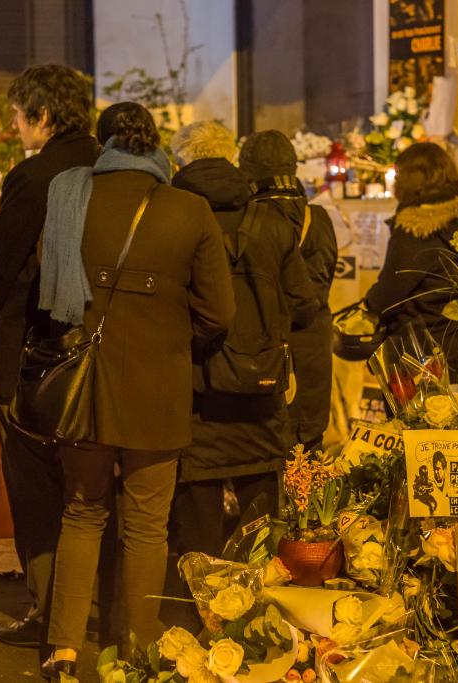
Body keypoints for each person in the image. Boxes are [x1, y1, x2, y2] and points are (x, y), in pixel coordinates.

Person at [39, 103, 234, 679]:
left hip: (87, 388)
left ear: (103, 146)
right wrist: (173, 336)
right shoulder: (189, 209)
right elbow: (219, 313)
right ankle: (136, 651)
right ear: (155, 148)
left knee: (81, 513)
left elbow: (44, 295)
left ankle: (64, 647)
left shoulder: (71, 197)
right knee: (147, 525)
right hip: (158, 385)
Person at [0, 65, 100, 650]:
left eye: (18, 116)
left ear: (43, 116)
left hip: (37, 357)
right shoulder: (112, 165)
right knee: (92, 493)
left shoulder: (33, 177)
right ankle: (88, 606)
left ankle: (49, 610)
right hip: (103, 355)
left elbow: (2, 271)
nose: (15, 126)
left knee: (36, 493)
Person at [170, 121, 317, 559]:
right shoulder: (270, 220)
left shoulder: (172, 217)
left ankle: (200, 612)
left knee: (199, 525)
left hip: (195, 390)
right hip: (260, 390)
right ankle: (253, 616)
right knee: (259, 524)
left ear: (183, 161)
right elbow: (303, 304)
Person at [240, 130, 338, 451]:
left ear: (247, 171)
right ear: (293, 167)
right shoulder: (320, 219)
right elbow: (319, 289)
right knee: (308, 458)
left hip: (262, 359)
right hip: (311, 355)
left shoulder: (247, 221)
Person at [364, 142, 458, 378]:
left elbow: (391, 291)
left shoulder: (415, 227)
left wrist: (370, 305)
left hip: (418, 351)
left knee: (414, 416)